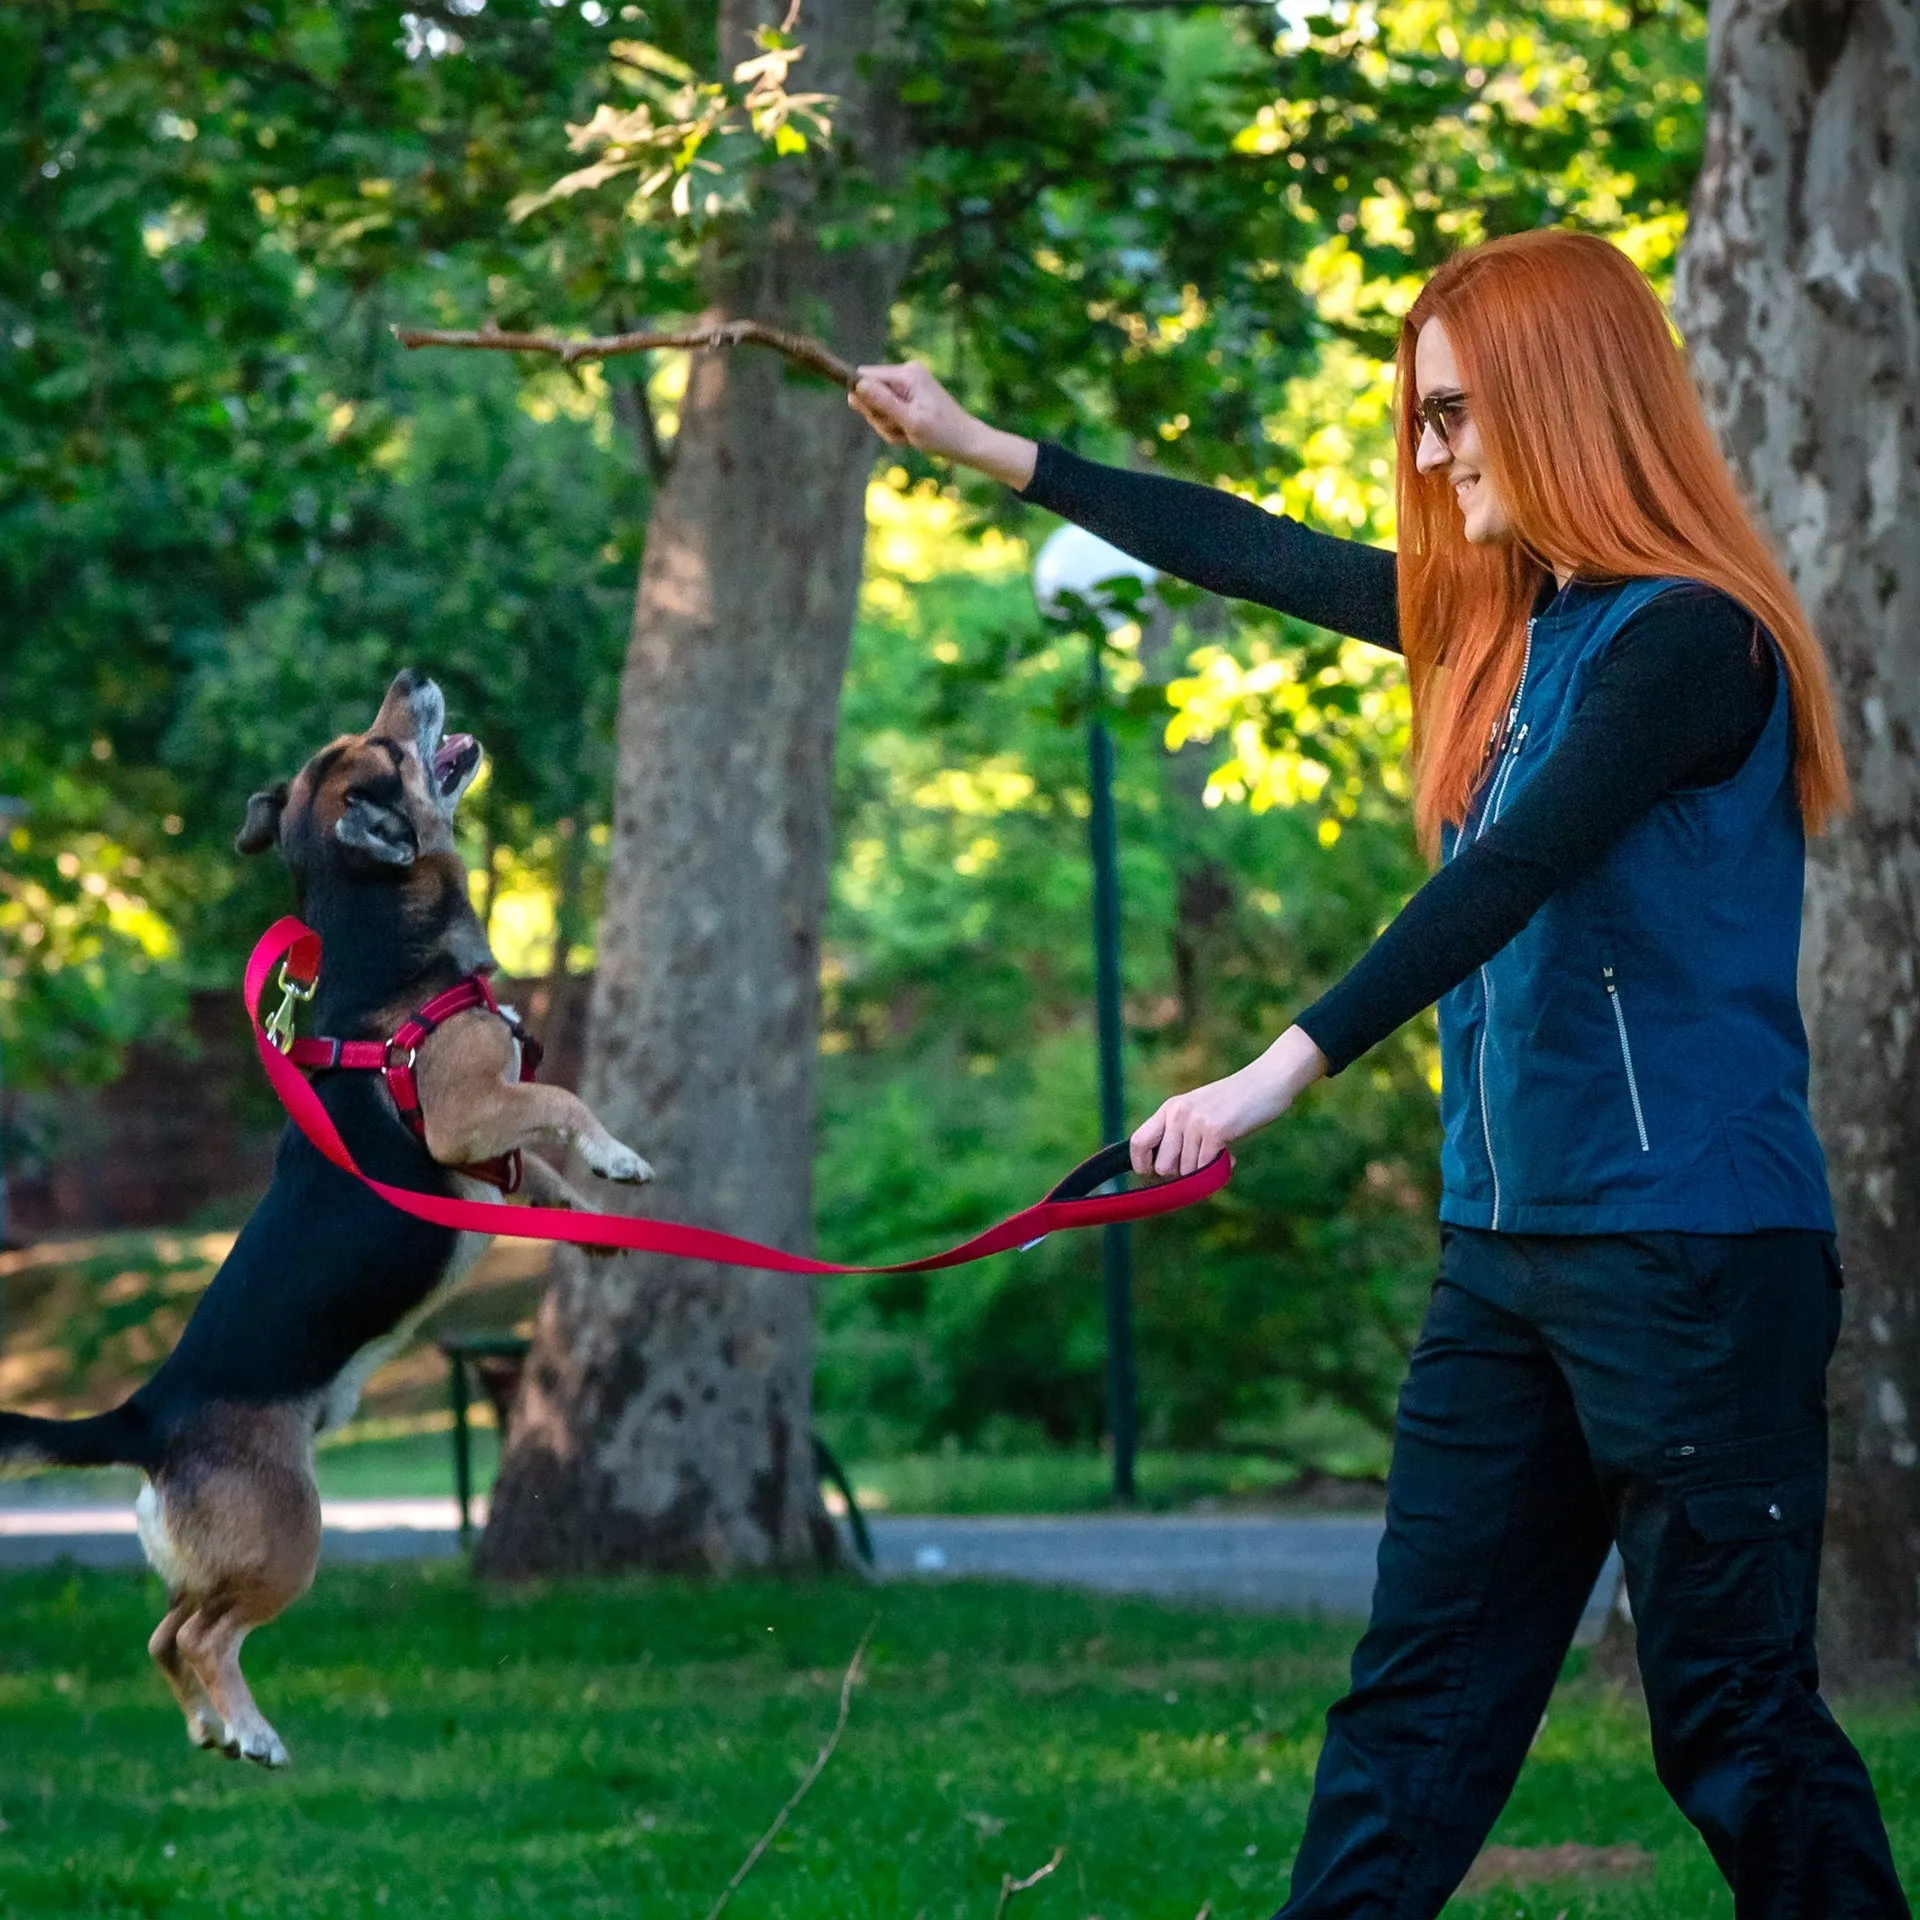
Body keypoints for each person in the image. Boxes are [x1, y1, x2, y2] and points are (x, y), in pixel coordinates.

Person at [849, 228, 1909, 1919]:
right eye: (1419, 420)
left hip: (1687, 1260)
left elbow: (1510, 876)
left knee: (1734, 1725)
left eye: (1457, 414)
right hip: (1505, 1258)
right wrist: (989, 450)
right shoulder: (1504, 634)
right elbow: (1249, 548)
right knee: (1416, 1712)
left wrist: (1276, 1073)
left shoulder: (1689, 645)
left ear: (1569, 397)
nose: (1431, 454)